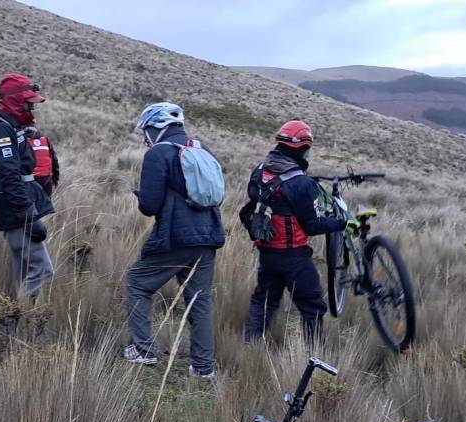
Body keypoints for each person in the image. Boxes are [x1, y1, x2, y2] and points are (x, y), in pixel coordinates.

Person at [121, 102, 224, 378]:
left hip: (176, 238)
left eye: (146, 130)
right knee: (199, 301)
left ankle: (143, 350)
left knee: (137, 283)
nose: (145, 137)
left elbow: (150, 207)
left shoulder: (158, 154)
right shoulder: (202, 149)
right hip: (208, 236)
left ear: (157, 126)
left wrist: (142, 196)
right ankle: (203, 368)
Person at [240, 120, 356, 342]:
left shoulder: (260, 171)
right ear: (303, 148)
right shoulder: (302, 183)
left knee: (263, 303)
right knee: (313, 306)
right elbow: (312, 225)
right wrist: (342, 224)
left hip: (267, 252)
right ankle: (314, 356)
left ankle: (250, 347)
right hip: (294, 257)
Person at [0, 73, 56, 300]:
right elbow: (9, 175)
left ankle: (15, 323)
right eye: (28, 103)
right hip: (14, 209)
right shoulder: (0, 130)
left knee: (25, 270)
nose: (31, 108)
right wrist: (29, 216)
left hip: (15, 206)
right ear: (16, 101)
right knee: (43, 272)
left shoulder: (8, 125)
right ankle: (29, 324)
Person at [24, 126, 60, 195]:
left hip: (30, 180)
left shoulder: (21, 140)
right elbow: (54, 160)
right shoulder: (45, 139)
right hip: (47, 179)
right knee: (46, 204)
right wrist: (55, 180)